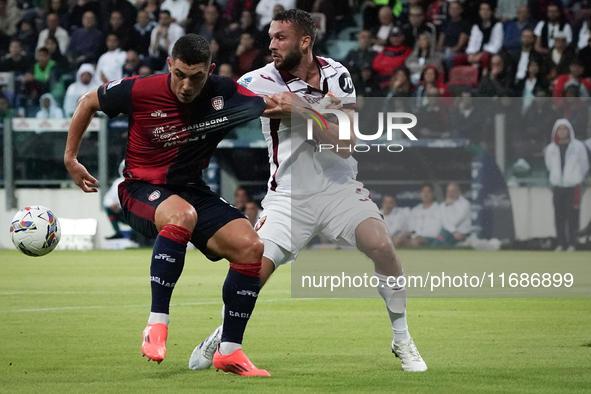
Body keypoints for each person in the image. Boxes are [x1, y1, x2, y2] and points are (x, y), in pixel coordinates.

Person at [190, 9, 427, 373]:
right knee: (251, 270)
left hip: (339, 189)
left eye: (280, 38)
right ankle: (222, 336)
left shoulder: (338, 74)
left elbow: (345, 143)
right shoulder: (257, 81)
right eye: (270, 37)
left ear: (304, 41)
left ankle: (402, 339)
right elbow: (229, 110)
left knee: (382, 247)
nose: (271, 45)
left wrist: (299, 108)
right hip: (288, 196)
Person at [64, 33, 286, 376]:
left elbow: (272, 104)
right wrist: (71, 159)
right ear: (169, 64)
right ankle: (157, 323)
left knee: (251, 247)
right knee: (182, 215)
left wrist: (318, 108)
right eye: (179, 74)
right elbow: (88, 101)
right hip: (140, 188)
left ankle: (229, 351)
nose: (186, 85)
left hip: (192, 190)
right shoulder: (139, 89)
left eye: (196, 77)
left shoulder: (225, 92)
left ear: (209, 71)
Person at [544, 119, 589, 251]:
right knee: (559, 216)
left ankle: (573, 243)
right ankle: (561, 243)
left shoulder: (578, 147)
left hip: (572, 187)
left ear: (569, 131)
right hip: (558, 187)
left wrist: (575, 177)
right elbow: (549, 165)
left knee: (573, 215)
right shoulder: (550, 148)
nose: (562, 132)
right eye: (560, 129)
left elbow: (584, 165)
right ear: (555, 132)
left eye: (565, 129)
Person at [431, 183, 471, 247]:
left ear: (459, 192)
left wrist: (454, 231)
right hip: (451, 233)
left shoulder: (465, 204)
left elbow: (454, 221)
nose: (450, 194)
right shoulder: (443, 205)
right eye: (448, 191)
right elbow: (443, 221)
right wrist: (454, 231)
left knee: (438, 242)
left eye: (453, 191)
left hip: (461, 234)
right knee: (436, 238)